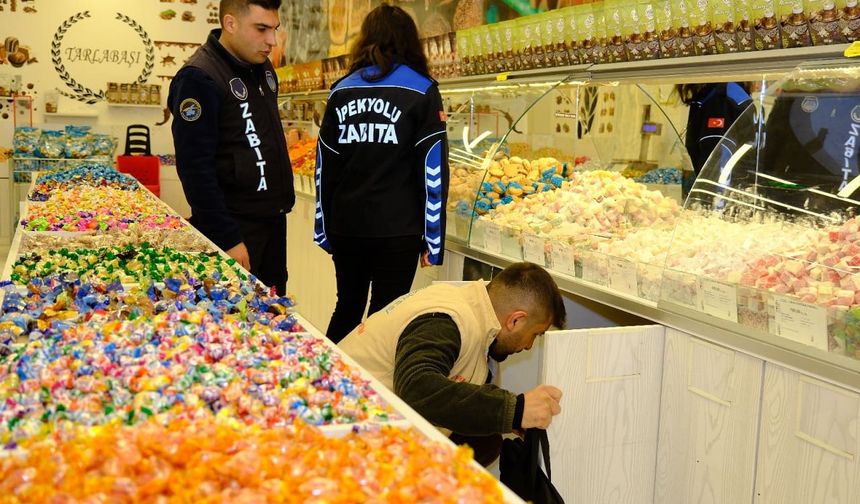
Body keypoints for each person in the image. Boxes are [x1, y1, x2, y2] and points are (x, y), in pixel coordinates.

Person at [338, 262, 567, 466]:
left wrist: (507, 415)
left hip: (364, 415)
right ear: (516, 320)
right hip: (339, 430)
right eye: (535, 334)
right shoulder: (447, 319)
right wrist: (514, 410)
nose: (528, 346)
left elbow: (457, 383)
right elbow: (417, 387)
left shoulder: (468, 306)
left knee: (484, 442)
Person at [314, 4, 450, 343]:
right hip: (398, 231)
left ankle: (329, 379)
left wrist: (324, 229)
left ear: (365, 40)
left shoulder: (341, 90)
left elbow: (324, 166)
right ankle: (371, 389)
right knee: (386, 315)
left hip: (347, 226)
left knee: (346, 306)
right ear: (410, 41)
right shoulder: (422, 90)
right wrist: (433, 242)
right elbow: (432, 169)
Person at [168, 0, 294, 296]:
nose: (271, 41)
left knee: (274, 313)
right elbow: (195, 168)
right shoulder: (199, 77)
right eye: (261, 29)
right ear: (230, 23)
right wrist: (227, 237)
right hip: (234, 229)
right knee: (234, 318)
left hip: (272, 222)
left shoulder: (263, 69)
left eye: (274, 29)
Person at [677, 82, 753, 175]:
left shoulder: (722, 98)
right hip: (735, 185)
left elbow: (717, 159)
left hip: (726, 186)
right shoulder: (728, 96)